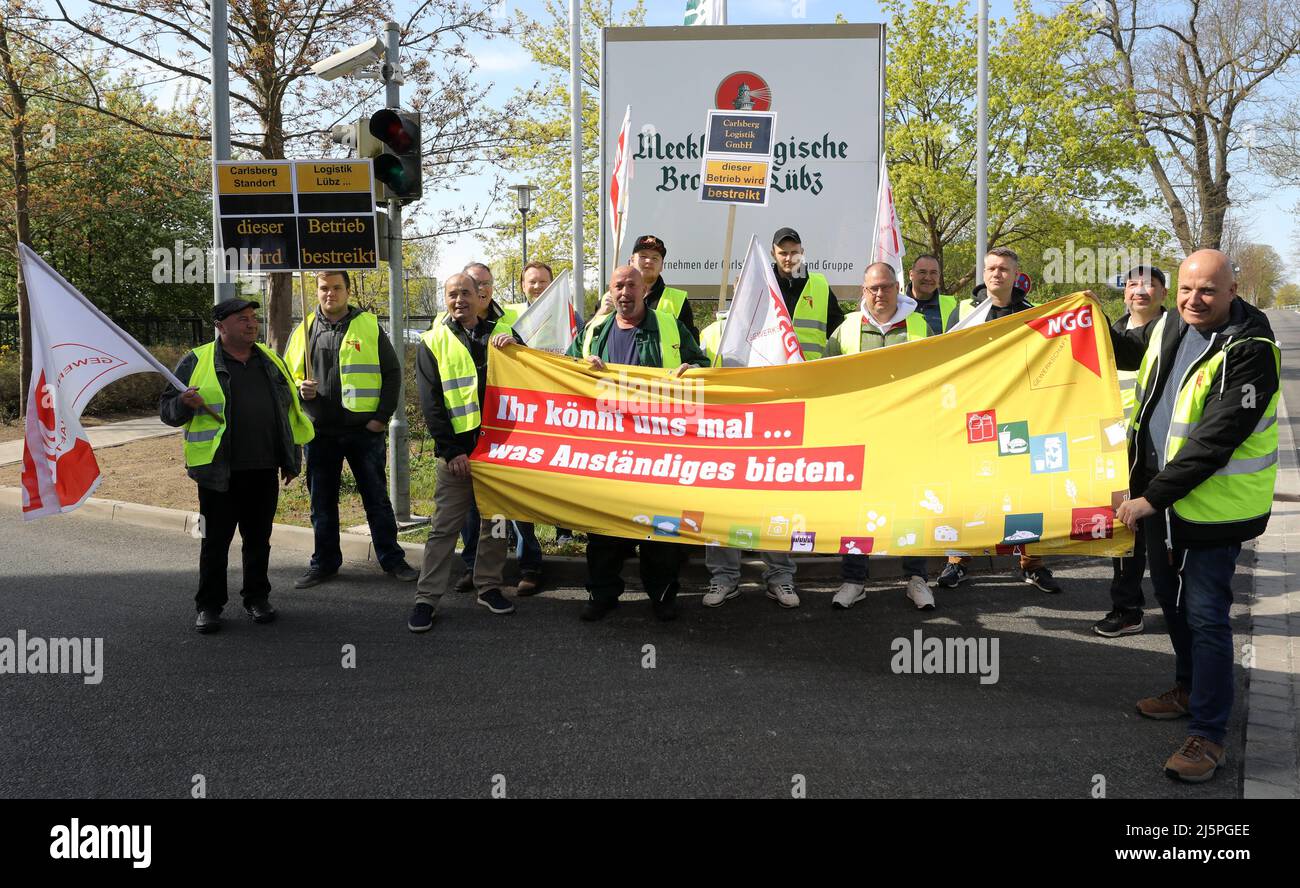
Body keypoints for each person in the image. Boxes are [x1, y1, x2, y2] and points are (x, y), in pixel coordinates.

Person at [1109, 249, 1279, 783]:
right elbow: (1129, 352)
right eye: (1185, 288)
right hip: (1161, 499)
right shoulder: (1168, 328)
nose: (1193, 299)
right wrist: (1076, 316)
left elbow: (1216, 440)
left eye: (1207, 290)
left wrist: (1149, 498)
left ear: (1233, 289)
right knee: (1172, 602)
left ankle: (1209, 735)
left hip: (1211, 511)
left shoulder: (1252, 351)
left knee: (1206, 615)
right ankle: (1187, 688)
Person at [160, 298, 314, 634]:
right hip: (218, 474)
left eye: (253, 318)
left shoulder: (271, 360)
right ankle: (209, 606)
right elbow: (166, 410)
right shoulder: (196, 360)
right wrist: (183, 404)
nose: (250, 324)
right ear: (221, 325)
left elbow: (289, 413)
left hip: (263, 469)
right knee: (214, 541)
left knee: (259, 540)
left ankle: (257, 598)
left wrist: (291, 458)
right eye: (242, 319)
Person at [566, 265, 710, 621]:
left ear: (645, 289)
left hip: (658, 453)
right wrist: (582, 367)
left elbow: (704, 364)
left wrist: (691, 369)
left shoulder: (669, 326)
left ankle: (662, 597)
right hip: (607, 453)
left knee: (659, 532)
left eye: (631, 284)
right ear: (610, 293)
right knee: (603, 531)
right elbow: (564, 368)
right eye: (618, 286)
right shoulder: (594, 330)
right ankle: (602, 595)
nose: (624, 292)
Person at [937, 247, 1064, 594]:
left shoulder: (1033, 314)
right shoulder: (964, 313)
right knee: (969, 490)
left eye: (1004, 269)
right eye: (991, 268)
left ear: (1015, 274)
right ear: (983, 273)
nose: (997, 274)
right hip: (975, 415)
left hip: (1019, 418)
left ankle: (1032, 564)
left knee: (1025, 492)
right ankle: (958, 561)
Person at [283, 271, 418, 589]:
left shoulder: (368, 325)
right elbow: (286, 376)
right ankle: (325, 563)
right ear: (316, 291)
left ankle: (392, 559)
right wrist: (301, 389)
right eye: (324, 288)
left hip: (363, 432)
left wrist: (381, 418)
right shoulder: (303, 328)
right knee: (322, 502)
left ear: (348, 290)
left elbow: (392, 372)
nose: (330, 294)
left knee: (376, 499)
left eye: (336, 288)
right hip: (320, 433)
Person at [408, 273, 519, 632]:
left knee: (496, 525)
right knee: (444, 529)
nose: (460, 300)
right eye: (452, 294)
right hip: (457, 456)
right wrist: (451, 450)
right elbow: (432, 404)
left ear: (481, 295)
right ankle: (427, 598)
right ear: (446, 298)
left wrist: (515, 345)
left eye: (466, 293)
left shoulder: (501, 334)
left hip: (498, 453)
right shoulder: (432, 341)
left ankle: (488, 586)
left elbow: (529, 381)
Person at [825, 263, 937, 610]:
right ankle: (854, 580)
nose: (879, 294)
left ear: (897, 287)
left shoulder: (920, 325)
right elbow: (826, 381)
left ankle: (917, 579)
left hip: (909, 435)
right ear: (863, 290)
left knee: (911, 507)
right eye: (872, 288)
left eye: (886, 287)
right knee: (857, 510)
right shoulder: (846, 329)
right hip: (861, 436)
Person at [695, 306, 800, 609]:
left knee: (772, 507)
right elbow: (697, 373)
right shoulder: (712, 333)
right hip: (723, 431)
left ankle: (780, 576)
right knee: (719, 507)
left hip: (769, 431)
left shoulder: (779, 331)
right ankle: (725, 578)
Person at [451, 262, 545, 593]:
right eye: (474, 283)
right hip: (467, 429)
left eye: (486, 283)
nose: (481, 289)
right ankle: (474, 567)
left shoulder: (508, 322)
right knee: (472, 511)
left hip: (507, 429)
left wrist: (515, 346)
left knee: (515, 504)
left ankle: (529, 567)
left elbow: (534, 365)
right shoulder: (446, 325)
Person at [1092, 265, 1168, 638]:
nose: (1140, 290)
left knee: (1168, 539)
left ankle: (1178, 605)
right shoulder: (1111, 333)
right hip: (1118, 454)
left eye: (1149, 284)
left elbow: (1134, 355)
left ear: (1163, 294)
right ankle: (1127, 609)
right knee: (1126, 535)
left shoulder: (1175, 332)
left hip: (1162, 452)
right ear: (1124, 294)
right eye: (1132, 284)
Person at [771, 227, 845, 361]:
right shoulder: (763, 286)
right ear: (773, 254)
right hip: (772, 370)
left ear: (802, 253)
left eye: (794, 252)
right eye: (783, 253)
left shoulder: (820, 285)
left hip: (811, 372)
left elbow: (840, 332)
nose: (789, 258)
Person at [628, 234, 698, 340]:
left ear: (661, 266)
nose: (649, 261)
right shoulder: (614, 297)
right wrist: (600, 314)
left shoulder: (678, 301)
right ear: (632, 261)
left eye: (655, 258)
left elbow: (691, 349)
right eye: (643, 256)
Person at [904, 253, 957, 336]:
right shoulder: (896, 305)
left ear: (939, 276)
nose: (928, 278)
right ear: (911, 275)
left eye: (933, 273)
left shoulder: (953, 307)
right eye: (922, 272)